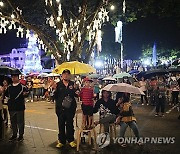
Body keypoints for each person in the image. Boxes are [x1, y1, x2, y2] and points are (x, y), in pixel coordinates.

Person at [53, 69, 78, 148]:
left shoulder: (72, 84)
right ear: (62, 75)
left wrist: (76, 90)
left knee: (70, 124)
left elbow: (77, 95)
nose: (66, 75)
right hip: (60, 109)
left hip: (70, 109)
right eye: (64, 74)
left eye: (67, 74)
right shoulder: (58, 84)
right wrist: (54, 89)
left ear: (70, 75)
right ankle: (61, 141)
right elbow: (53, 97)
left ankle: (71, 140)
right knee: (61, 124)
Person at [4, 73, 28, 141]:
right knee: (13, 122)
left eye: (15, 77)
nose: (13, 78)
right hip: (11, 107)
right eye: (12, 77)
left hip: (20, 107)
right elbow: (6, 95)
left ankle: (21, 135)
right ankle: (14, 134)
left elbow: (26, 94)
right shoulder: (9, 87)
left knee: (20, 122)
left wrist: (25, 94)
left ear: (18, 77)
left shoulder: (22, 87)